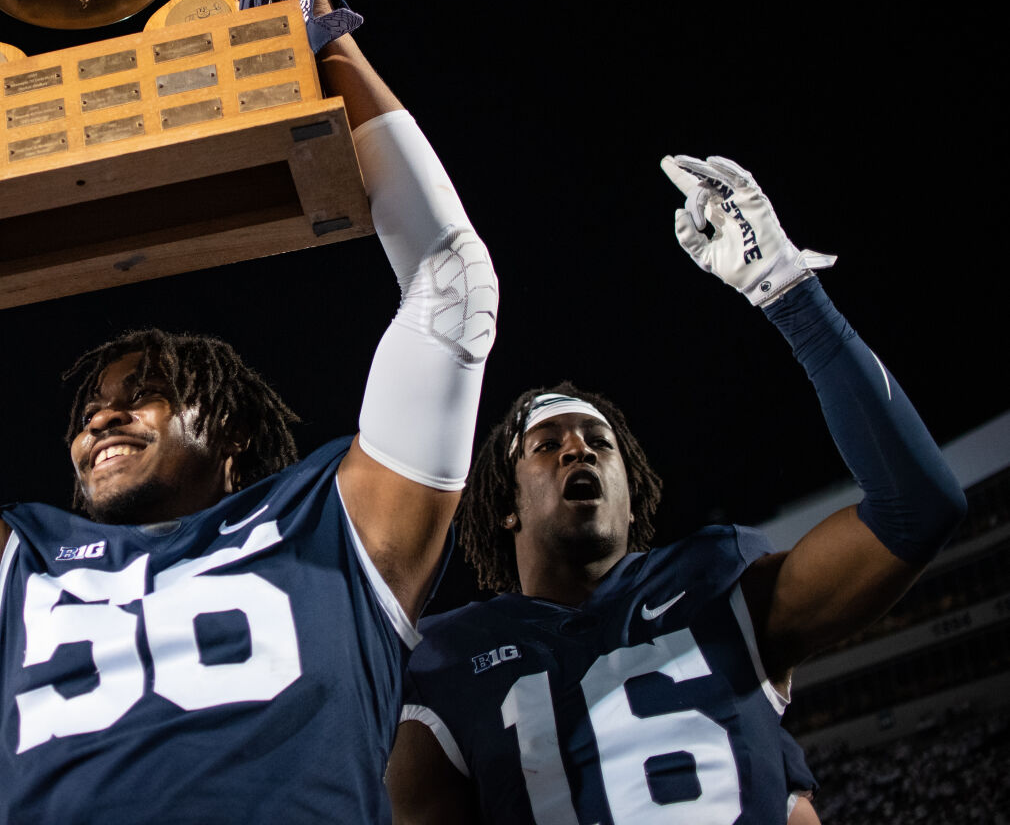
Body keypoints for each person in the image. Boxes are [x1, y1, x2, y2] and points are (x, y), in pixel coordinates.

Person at [0, 0, 499, 822]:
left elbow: (452, 290)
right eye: (89, 409)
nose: (101, 420)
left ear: (234, 433)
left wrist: (324, 34)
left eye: (142, 395)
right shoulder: (14, 571)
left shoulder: (339, 530)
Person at [387, 155, 967, 824]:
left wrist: (792, 298)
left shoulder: (720, 583)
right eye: (547, 446)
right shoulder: (445, 658)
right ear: (506, 509)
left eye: (600, 444)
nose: (579, 447)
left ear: (634, 497)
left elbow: (919, 510)